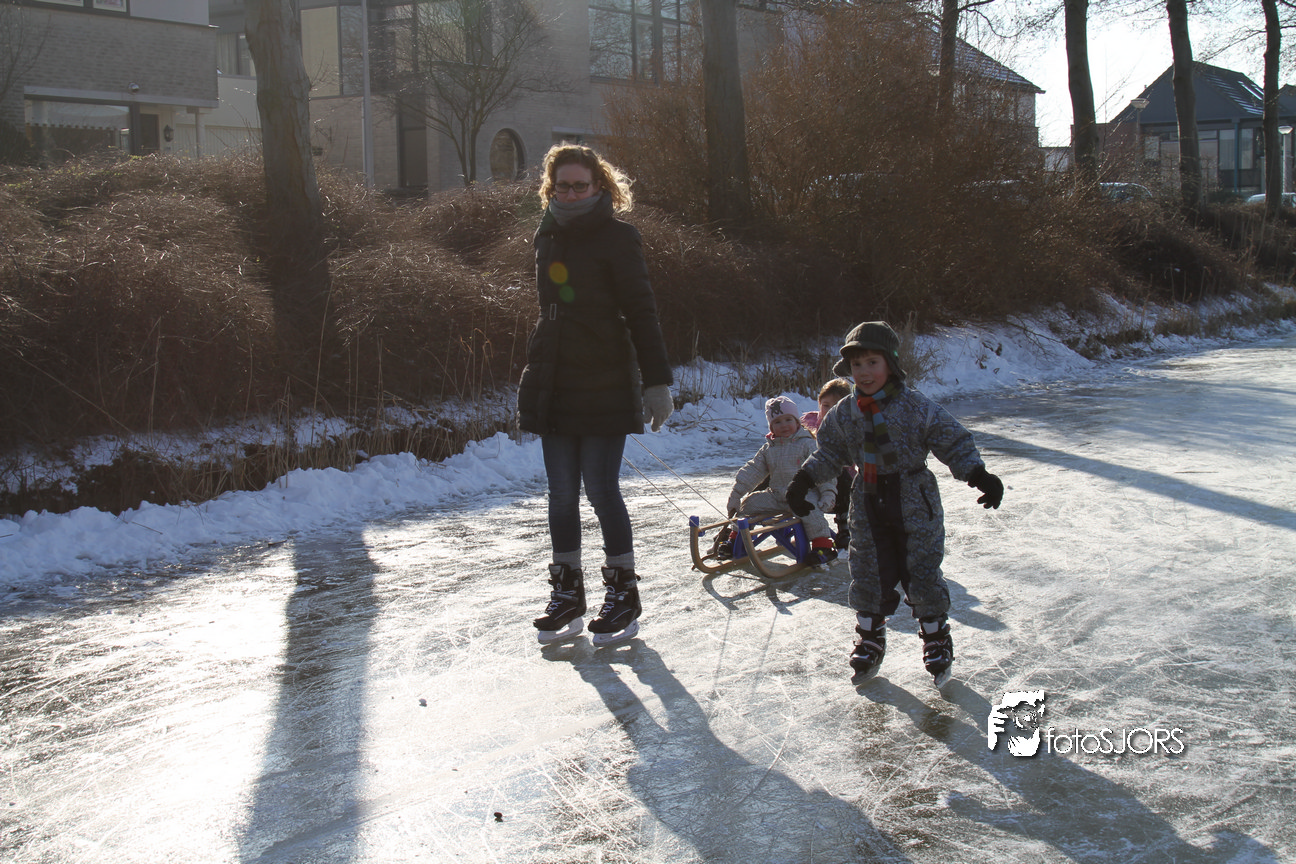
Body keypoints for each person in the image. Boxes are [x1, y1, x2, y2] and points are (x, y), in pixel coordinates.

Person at [516, 144, 675, 646]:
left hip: (605, 374)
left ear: (599, 186)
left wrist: (656, 382)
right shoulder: (547, 233)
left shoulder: (618, 237)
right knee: (561, 493)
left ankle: (623, 594)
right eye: (562, 185)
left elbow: (642, 311)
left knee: (601, 490)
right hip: (556, 376)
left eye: (579, 185)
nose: (570, 193)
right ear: (551, 187)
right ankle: (567, 594)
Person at [786, 321, 1004, 687]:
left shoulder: (915, 406)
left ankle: (936, 636)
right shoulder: (844, 413)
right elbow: (830, 453)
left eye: (872, 362)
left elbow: (951, 439)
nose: (864, 372)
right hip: (868, 501)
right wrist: (804, 480)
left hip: (914, 498)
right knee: (868, 569)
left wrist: (978, 475)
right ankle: (870, 637)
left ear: (890, 363)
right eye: (857, 365)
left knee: (922, 570)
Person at [719, 395, 839, 568]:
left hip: (803, 496)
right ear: (771, 426)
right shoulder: (769, 448)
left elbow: (822, 470)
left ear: (797, 422)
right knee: (748, 504)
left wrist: (828, 493)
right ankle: (736, 539)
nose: (784, 425)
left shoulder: (807, 444)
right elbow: (753, 470)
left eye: (788, 420)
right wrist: (736, 494)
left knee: (811, 511)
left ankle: (823, 546)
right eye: (777, 422)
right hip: (776, 495)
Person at [801, 378, 854, 548]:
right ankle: (739, 523)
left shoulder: (851, 427)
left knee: (840, 473)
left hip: (841, 486)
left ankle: (844, 526)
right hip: (810, 481)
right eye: (825, 405)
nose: (830, 411)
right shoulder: (808, 424)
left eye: (836, 406)